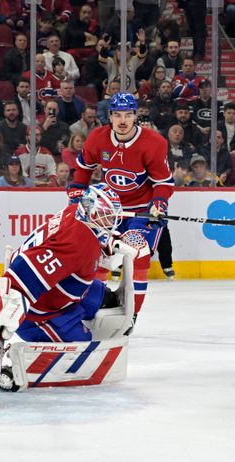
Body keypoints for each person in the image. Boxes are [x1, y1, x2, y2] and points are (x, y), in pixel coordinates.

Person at [0, 184, 125, 348]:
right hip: (36, 315)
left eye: (111, 216)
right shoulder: (78, 243)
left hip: (59, 285)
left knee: (105, 297)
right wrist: (3, 305)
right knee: (83, 348)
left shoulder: (73, 212)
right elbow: (29, 270)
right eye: (106, 215)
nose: (111, 221)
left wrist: (105, 241)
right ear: (89, 209)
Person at [69, 92, 174, 319]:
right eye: (117, 115)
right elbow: (84, 168)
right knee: (99, 258)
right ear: (110, 116)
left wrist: (159, 202)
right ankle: (95, 306)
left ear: (136, 115)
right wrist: (78, 186)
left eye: (128, 114)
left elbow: (163, 183)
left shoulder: (154, 143)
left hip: (143, 209)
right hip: (110, 211)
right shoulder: (98, 137)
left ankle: (132, 314)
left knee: (138, 254)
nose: (123, 120)